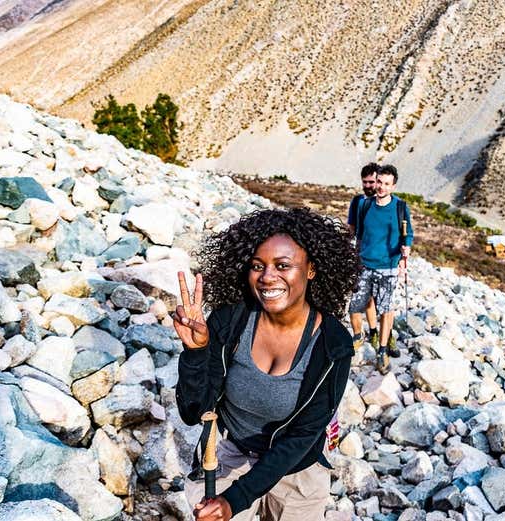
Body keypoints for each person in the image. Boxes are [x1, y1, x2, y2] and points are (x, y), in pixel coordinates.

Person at [173, 207, 359, 521]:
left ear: (311, 269)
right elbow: (193, 413)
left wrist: (236, 499)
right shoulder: (230, 322)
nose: (267, 277)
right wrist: (195, 353)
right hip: (231, 453)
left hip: (295, 465)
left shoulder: (333, 344)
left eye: (283, 265)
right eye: (257, 266)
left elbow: (302, 436)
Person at [349, 164, 413, 374]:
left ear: (393, 186)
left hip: (388, 267)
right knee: (355, 305)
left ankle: (382, 350)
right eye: (378, 182)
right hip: (364, 264)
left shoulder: (400, 207)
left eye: (386, 184)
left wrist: (406, 250)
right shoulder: (364, 205)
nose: (380, 187)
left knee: (385, 309)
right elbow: (358, 232)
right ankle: (359, 336)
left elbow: (408, 234)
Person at [346, 162, 380, 350]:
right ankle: (358, 335)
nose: (368, 186)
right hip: (360, 256)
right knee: (358, 297)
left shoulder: (387, 204)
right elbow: (351, 228)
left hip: (380, 259)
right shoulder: (357, 202)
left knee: (371, 299)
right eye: (365, 182)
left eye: (371, 182)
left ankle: (374, 332)